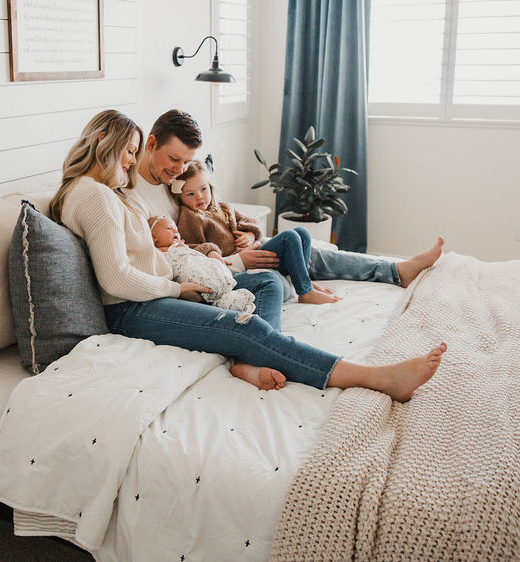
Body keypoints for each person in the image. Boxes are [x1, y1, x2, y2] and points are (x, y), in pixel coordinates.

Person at [50, 108, 447, 399]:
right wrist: (178, 287)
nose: (133, 161)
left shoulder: (97, 193)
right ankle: (374, 377)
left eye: (136, 152)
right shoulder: (98, 195)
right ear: (105, 142)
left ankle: (255, 356)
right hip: (137, 305)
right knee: (245, 325)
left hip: (168, 283)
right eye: (130, 151)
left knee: (269, 280)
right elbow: (116, 279)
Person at [123, 108, 444, 289]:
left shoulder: (175, 179)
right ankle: (312, 288)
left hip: (233, 254)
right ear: (150, 144)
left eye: (185, 162)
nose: (179, 170)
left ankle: (394, 271)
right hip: (218, 270)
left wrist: (249, 235)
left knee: (309, 249)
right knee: (294, 250)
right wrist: (238, 261)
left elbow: (215, 207)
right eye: (174, 160)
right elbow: (169, 261)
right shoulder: (132, 199)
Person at [173, 159, 338, 305]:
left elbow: (251, 222)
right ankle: (305, 292)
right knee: (289, 237)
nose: (200, 197)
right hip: (238, 269)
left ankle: (303, 281)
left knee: (302, 233)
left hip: (254, 253)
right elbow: (191, 249)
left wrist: (250, 234)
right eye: (190, 194)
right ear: (179, 197)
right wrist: (213, 253)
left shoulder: (223, 207)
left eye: (203, 189)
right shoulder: (190, 217)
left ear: (210, 187)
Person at [149, 215, 256, 313]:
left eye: (176, 230)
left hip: (221, 274)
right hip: (199, 286)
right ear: (153, 237)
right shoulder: (155, 253)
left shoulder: (183, 246)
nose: (175, 231)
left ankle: (228, 301)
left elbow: (199, 254)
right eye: (169, 228)